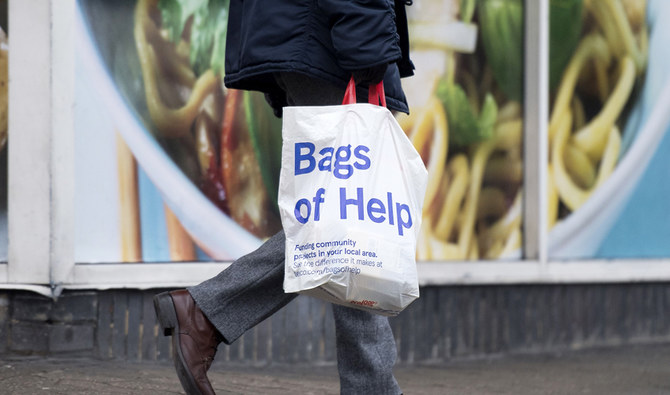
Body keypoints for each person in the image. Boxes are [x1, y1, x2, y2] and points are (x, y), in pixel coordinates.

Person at [153, 1, 415, 394]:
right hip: (327, 39)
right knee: (350, 229)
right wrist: (370, 48)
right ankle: (204, 311)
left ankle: (205, 312)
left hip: (305, 34)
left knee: (344, 225)